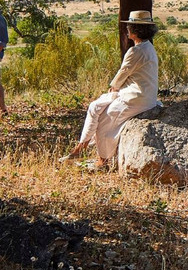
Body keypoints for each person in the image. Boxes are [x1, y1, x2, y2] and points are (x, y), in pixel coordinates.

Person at [61, 10, 160, 170]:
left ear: (136, 30)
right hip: (144, 96)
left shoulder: (136, 51)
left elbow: (122, 74)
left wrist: (112, 89)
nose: (127, 29)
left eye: (130, 26)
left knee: (104, 121)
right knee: (97, 108)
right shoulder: (148, 48)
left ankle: (101, 160)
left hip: (134, 98)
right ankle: (82, 147)